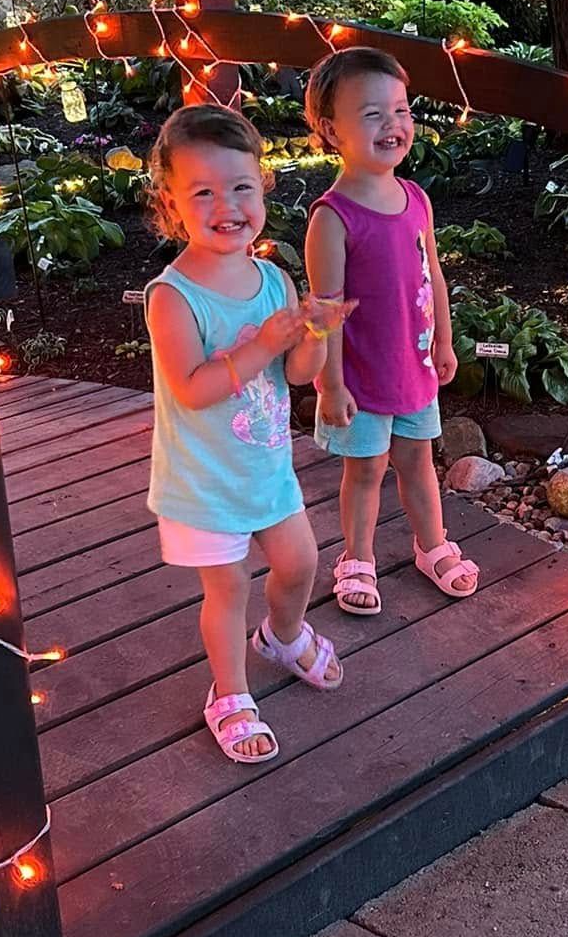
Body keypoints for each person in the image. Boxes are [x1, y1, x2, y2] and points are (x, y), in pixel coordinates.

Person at [144, 104, 343, 763]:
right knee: (227, 588)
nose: (226, 204)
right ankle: (228, 693)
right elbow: (192, 389)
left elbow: (298, 372)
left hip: (264, 467)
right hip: (203, 479)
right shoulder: (172, 296)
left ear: (263, 192)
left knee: (301, 562)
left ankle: (282, 637)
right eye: (203, 192)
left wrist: (314, 330)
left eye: (241, 188)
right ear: (171, 205)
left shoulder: (275, 278)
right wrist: (261, 345)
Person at [304, 47, 479, 616]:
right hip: (359, 375)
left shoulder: (417, 200)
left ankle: (432, 545)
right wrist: (331, 385)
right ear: (332, 130)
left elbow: (435, 277)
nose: (394, 125)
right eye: (372, 114)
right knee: (366, 469)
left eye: (401, 111)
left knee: (417, 460)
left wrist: (446, 343)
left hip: (414, 364)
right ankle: (357, 558)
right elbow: (326, 309)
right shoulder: (332, 217)